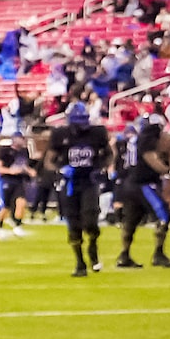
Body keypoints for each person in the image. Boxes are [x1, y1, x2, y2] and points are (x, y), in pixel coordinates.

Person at [49, 102, 112, 277]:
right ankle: (80, 263)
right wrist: (60, 169)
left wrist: (99, 168)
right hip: (69, 184)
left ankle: (93, 247)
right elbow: (50, 159)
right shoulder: (60, 135)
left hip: (88, 182)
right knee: (73, 225)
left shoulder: (97, 133)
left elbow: (108, 154)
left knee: (90, 220)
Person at [114, 117, 170, 269]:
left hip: (130, 183)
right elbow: (150, 158)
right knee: (164, 216)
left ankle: (124, 255)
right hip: (144, 184)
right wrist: (166, 170)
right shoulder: (147, 139)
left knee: (131, 221)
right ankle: (158, 254)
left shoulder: (133, 139)